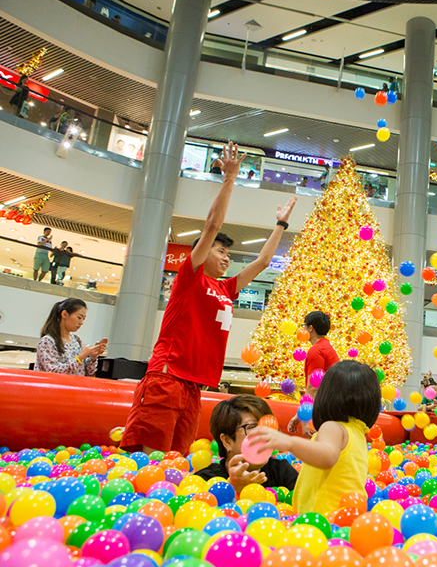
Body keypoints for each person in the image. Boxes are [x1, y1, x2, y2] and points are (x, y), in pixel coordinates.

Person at [120, 143, 297, 455]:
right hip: (167, 377)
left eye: (228, 252)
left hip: (192, 387)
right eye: (221, 250)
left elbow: (263, 262)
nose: (226, 257)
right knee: (151, 461)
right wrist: (229, 179)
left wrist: (280, 224)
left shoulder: (227, 288)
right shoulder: (190, 277)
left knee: (177, 460)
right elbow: (212, 225)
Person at [247, 360, 380, 515]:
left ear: (327, 396)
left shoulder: (332, 427)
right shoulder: (357, 433)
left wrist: (290, 442)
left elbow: (327, 456)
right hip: (346, 518)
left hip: (322, 519)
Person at [196, 396, 298, 494]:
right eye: (252, 427)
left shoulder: (282, 472)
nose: (264, 434)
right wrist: (235, 490)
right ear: (227, 441)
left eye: (267, 426)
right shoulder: (206, 481)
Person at [35, 298, 107, 376]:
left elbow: (88, 374)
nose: (81, 322)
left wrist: (93, 357)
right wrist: (80, 357)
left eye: (84, 319)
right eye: (79, 317)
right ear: (64, 314)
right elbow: (52, 372)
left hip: (75, 387)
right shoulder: (47, 341)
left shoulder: (77, 340)